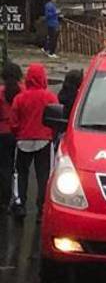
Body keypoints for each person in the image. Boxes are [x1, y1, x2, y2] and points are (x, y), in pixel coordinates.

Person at [11, 63, 58, 218]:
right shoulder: (49, 96)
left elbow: (14, 121)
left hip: (23, 140)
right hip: (44, 140)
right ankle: (42, 208)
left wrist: (18, 133)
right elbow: (56, 118)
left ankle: (20, 204)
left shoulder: (20, 97)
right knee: (44, 175)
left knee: (20, 173)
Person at [0, 62, 20, 214]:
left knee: (4, 167)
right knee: (16, 168)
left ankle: (3, 200)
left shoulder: (1, 92)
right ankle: (15, 198)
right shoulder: (22, 92)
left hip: (2, 133)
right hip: (18, 134)